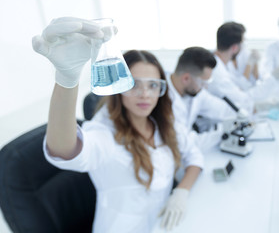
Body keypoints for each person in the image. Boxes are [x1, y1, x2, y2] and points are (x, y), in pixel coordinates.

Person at [32, 17, 204, 233]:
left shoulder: (161, 123)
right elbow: (64, 149)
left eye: (153, 85)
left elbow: (194, 156)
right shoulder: (104, 132)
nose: (145, 94)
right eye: (134, 84)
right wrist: (67, 80)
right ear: (119, 85)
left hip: (163, 225)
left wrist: (182, 191)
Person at [167, 47, 236, 151]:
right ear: (186, 78)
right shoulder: (162, 100)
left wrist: (239, 117)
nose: (205, 87)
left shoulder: (194, 91)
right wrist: (223, 133)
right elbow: (184, 143)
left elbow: (221, 109)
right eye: (203, 82)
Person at [207, 21, 279, 115]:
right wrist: (273, 78)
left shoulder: (219, 66)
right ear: (234, 48)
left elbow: (241, 88)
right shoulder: (218, 73)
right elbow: (244, 99)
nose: (244, 47)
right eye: (243, 43)